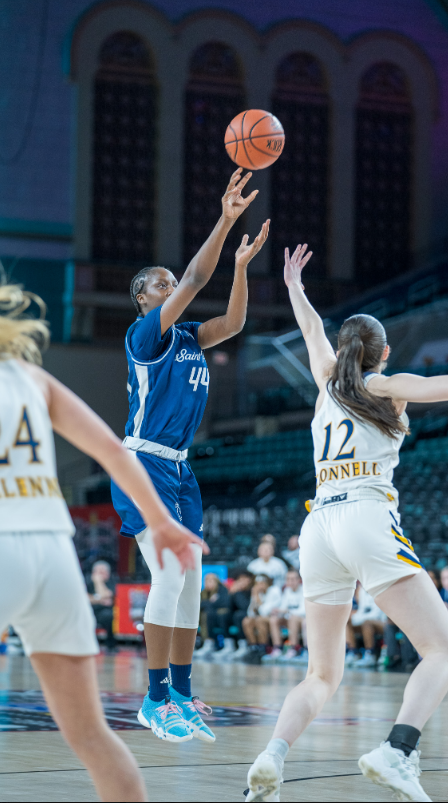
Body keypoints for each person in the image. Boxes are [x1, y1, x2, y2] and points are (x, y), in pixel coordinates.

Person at [245, 243, 448, 803]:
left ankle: (270, 758)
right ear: (383, 352)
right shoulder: (384, 387)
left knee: (321, 675)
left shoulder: (327, 381)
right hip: (365, 515)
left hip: (318, 526)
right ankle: (396, 750)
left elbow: (313, 332)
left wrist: (296, 289)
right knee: (445, 652)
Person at [0, 276, 202, 802]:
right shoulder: (28, 376)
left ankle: (166, 694)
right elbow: (111, 448)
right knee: (91, 735)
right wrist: (163, 522)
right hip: (52, 558)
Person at [110, 168, 269, 744]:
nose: (171, 286)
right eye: (161, 284)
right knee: (170, 574)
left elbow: (233, 323)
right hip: (142, 464)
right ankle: (152, 702)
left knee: (191, 581)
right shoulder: (144, 338)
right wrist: (226, 220)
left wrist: (242, 270)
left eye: (170, 282)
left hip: (178, 468)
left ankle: (178, 691)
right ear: (142, 300)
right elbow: (198, 280)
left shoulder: (188, 337)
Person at [263, 569, 306, 663]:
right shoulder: (287, 591)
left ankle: (294, 648)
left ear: (299, 580)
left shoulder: (304, 590)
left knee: (293, 618)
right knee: (274, 619)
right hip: (290, 618)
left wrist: (286, 611)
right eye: (288, 579)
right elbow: (283, 608)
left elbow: (303, 611)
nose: (291, 581)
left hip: (302, 619)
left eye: (293, 579)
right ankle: (278, 648)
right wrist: (277, 611)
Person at [242, 576, 281, 663]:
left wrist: (257, 598)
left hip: (275, 617)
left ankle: (263, 647)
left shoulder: (273, 591)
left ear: (267, 583)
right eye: (257, 584)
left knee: (259, 620)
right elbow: (250, 613)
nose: (259, 586)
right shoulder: (257, 593)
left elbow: (264, 611)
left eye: (262, 583)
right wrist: (254, 597)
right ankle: (254, 647)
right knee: (247, 621)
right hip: (261, 618)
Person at [194, 572, 231, 660]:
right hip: (209, 617)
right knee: (199, 614)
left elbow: (223, 603)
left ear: (216, 581)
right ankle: (199, 642)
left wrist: (208, 604)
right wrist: (210, 602)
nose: (208, 582)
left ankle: (209, 642)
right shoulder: (203, 592)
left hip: (220, 617)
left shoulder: (223, 590)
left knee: (208, 614)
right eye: (206, 580)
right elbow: (199, 604)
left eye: (211, 580)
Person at [350, 586, 386, 669]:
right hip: (366, 618)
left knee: (367, 623)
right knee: (347, 622)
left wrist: (359, 618)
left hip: (382, 621)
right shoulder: (361, 589)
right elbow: (361, 610)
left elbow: (376, 614)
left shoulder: (380, 587)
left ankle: (370, 655)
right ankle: (353, 653)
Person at [87, 560, 117, 650]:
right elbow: (84, 598)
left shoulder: (112, 583)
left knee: (109, 616)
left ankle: (111, 645)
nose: (100, 575)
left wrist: (98, 582)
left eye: (102, 572)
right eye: (98, 572)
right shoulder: (87, 582)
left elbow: (107, 595)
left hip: (103, 612)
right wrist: (100, 599)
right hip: (89, 611)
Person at [226, 570, 255, 661]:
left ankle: (244, 645)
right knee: (224, 615)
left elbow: (245, 607)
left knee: (239, 615)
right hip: (237, 614)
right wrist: (231, 593)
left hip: (250, 614)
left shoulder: (252, 590)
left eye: (244, 579)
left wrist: (238, 593)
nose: (242, 582)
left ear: (250, 580)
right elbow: (228, 607)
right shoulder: (236, 592)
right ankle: (228, 645)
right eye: (240, 580)